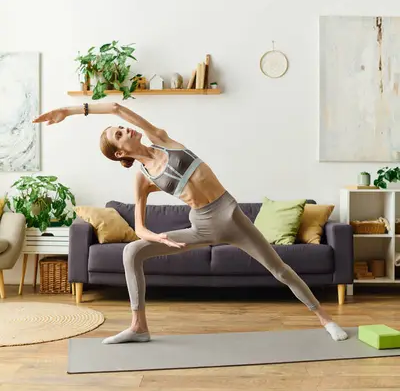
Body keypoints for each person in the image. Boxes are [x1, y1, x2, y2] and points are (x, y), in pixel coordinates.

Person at [33, 102, 348, 344]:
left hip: (230, 215)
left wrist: (70, 111)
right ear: (118, 153)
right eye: (119, 134)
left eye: (121, 128)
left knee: (279, 268)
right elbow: (139, 227)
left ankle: (325, 320)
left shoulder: (161, 139)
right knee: (131, 252)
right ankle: (138, 326)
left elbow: (116, 107)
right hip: (201, 225)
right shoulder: (143, 179)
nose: (125, 130)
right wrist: (158, 238)